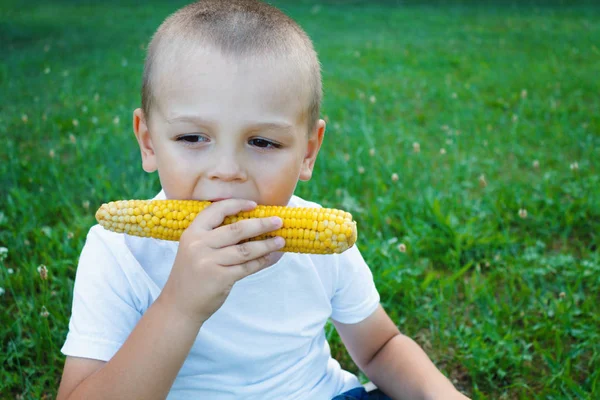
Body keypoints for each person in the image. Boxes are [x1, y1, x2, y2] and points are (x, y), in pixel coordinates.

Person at [57, 1, 470, 399]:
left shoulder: (324, 248)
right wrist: (179, 306)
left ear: (308, 152)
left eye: (262, 141)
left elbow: (380, 347)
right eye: (192, 137)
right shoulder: (119, 254)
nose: (227, 169)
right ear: (148, 142)